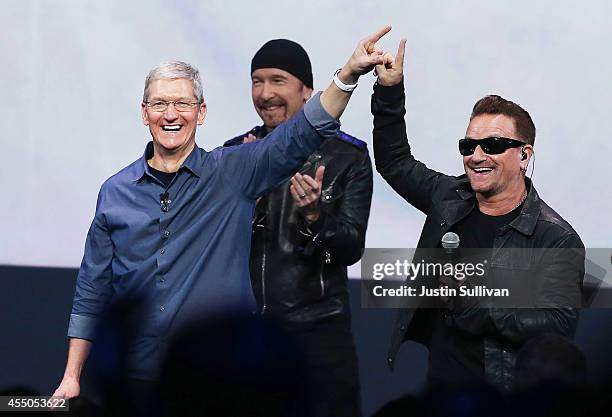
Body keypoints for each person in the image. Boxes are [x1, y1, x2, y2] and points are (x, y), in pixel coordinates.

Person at [52, 26, 396, 405]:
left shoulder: (233, 172)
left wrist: (346, 75)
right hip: (140, 377)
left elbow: (304, 132)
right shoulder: (114, 192)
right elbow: (91, 291)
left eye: (183, 104)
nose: (171, 115)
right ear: (144, 112)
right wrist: (72, 376)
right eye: (160, 104)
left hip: (212, 377)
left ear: (201, 113)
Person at [372, 40, 584, 390]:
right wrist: (389, 91)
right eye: (468, 146)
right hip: (443, 390)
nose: (477, 156)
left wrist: (479, 306)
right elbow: (395, 161)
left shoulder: (555, 237)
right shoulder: (448, 198)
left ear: (524, 155)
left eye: (494, 145)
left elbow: (559, 324)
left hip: (506, 396)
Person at [224, 39, 373, 416]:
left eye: (277, 80)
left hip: (318, 333)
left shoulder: (347, 156)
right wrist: (241, 207)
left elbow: (351, 247)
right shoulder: (235, 153)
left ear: (307, 90)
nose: (265, 93)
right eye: (257, 81)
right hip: (251, 334)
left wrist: (315, 217)